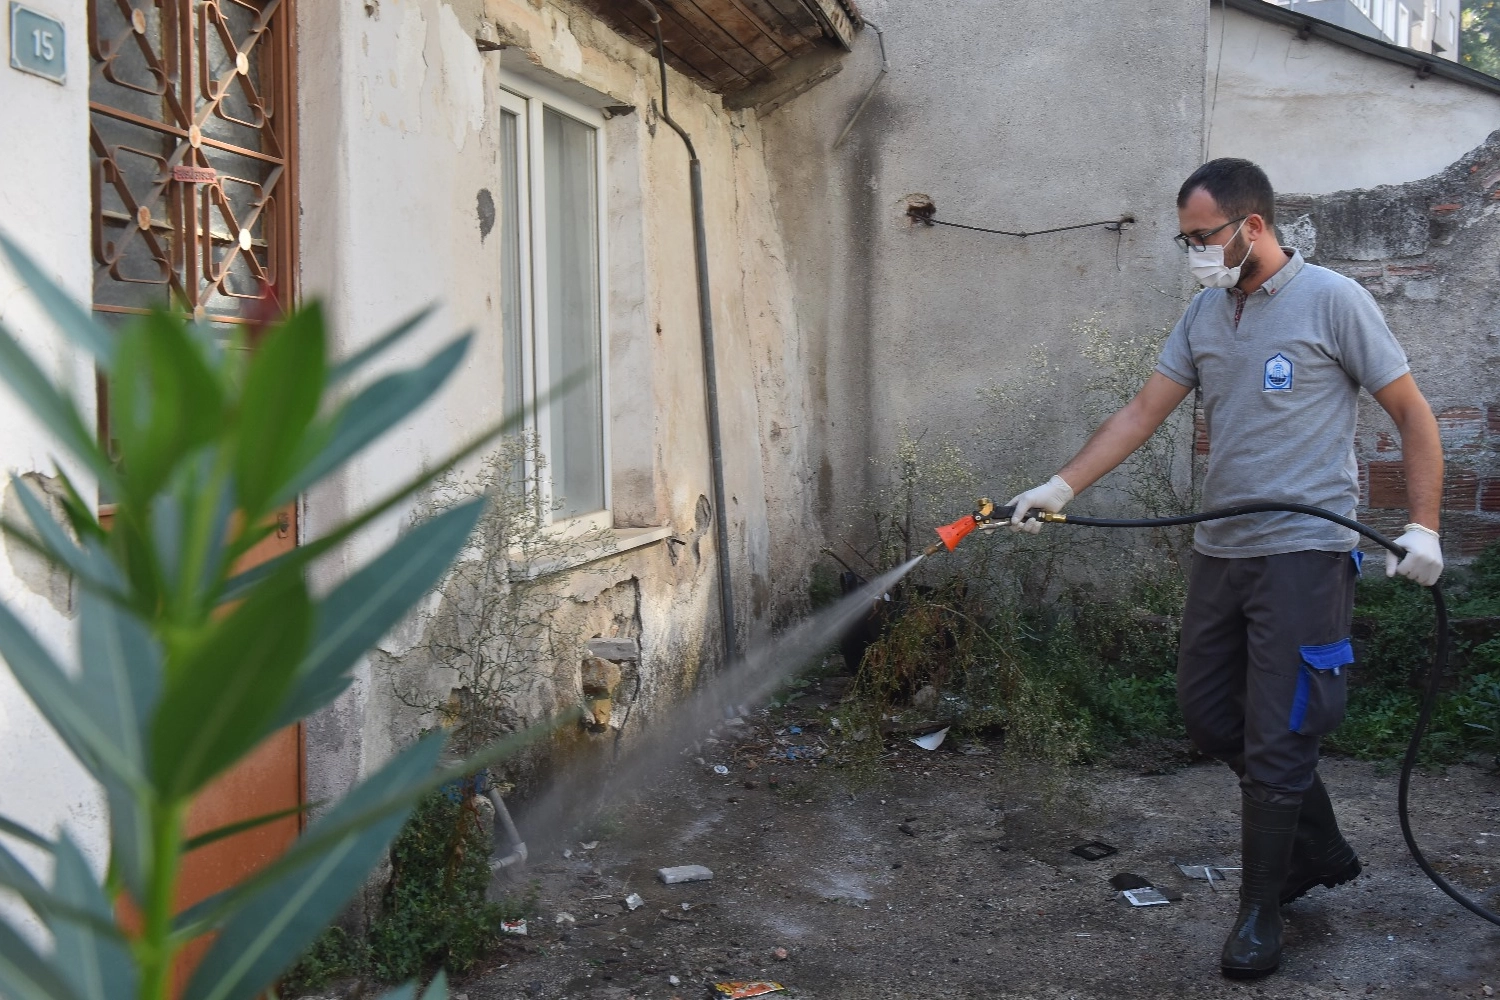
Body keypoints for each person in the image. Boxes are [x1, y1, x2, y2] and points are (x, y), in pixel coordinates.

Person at [1007, 158, 1444, 979]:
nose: (1195, 253)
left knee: (1278, 734)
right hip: (1223, 551)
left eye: (1203, 237)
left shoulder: (1334, 301)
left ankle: (1259, 910)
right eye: (1186, 240)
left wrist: (1422, 528)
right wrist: (1060, 485)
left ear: (1252, 225)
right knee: (1210, 716)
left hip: (1305, 557)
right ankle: (1314, 844)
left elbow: (1411, 413)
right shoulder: (1206, 313)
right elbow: (1143, 411)